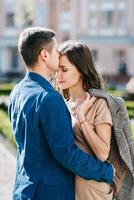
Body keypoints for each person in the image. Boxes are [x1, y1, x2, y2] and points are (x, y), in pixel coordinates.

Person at [8, 27, 114, 200]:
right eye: (55, 51)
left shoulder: (17, 92)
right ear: (44, 55)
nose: (58, 55)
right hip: (49, 193)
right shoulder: (49, 98)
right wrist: (106, 171)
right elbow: (67, 154)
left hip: (23, 188)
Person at [56, 40, 122, 200]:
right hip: (67, 188)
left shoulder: (98, 104)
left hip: (92, 190)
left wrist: (82, 118)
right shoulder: (62, 103)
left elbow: (102, 153)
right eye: (57, 69)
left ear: (81, 70)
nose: (58, 75)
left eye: (64, 69)